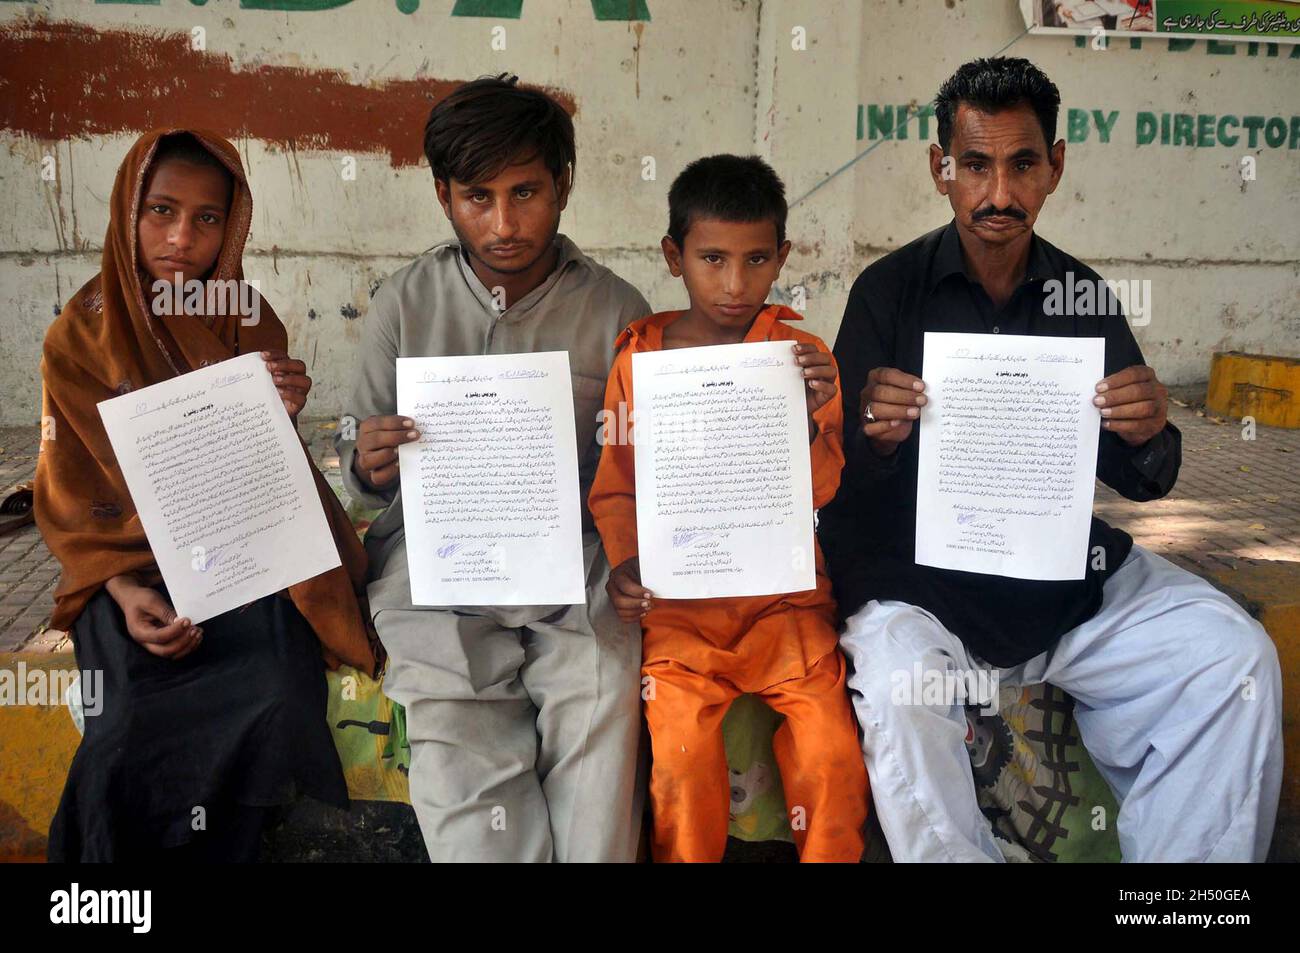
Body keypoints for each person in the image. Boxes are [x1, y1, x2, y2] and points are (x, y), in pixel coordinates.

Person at [822, 57, 1282, 862]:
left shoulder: (1082, 298)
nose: (999, 193)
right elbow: (839, 474)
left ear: (1055, 167)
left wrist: (1145, 431)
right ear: (941, 169)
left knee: (1231, 655)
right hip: (922, 587)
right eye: (975, 165)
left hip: (1059, 577)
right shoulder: (886, 293)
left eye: (1022, 164)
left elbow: (1146, 475)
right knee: (898, 688)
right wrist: (873, 434)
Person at [36, 128, 378, 863]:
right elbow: (70, 498)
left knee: (278, 699)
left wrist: (277, 414)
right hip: (131, 573)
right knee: (124, 725)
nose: (181, 238)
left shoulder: (245, 317)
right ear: (127, 211)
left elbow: (269, 480)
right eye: (160, 211)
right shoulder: (77, 338)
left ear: (234, 225)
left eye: (208, 218)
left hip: (242, 557)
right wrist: (124, 591)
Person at [337, 75, 650, 862]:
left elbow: (639, 468)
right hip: (437, 569)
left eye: (527, 192)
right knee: (452, 719)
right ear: (443, 194)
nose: (505, 223)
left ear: (564, 185)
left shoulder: (617, 309)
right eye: (479, 196)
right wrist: (371, 461)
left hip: (572, 562)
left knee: (604, 693)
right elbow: (356, 461)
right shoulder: (402, 303)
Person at [588, 155, 870, 863]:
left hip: (785, 604)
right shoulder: (640, 360)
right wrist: (625, 563)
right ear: (673, 256)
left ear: (782, 257)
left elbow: (825, 488)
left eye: (755, 260)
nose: (734, 283)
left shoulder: (801, 359)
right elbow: (618, 483)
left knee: (834, 755)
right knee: (680, 758)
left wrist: (808, 418)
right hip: (682, 609)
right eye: (712, 258)